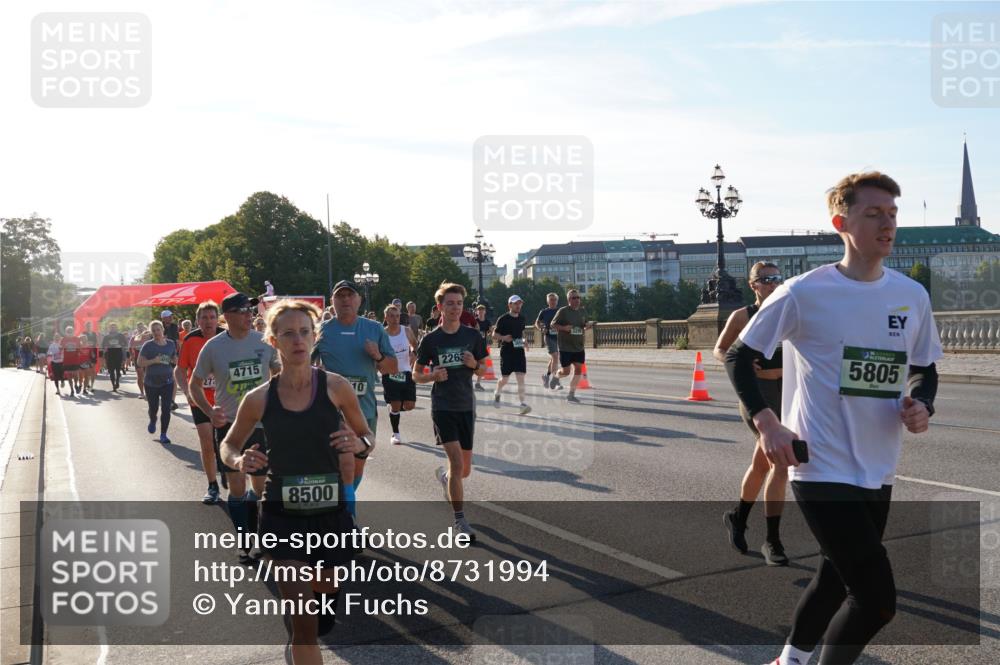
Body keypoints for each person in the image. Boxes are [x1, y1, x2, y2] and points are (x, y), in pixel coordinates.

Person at [725, 172, 942, 665]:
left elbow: (924, 368)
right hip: (820, 465)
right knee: (877, 602)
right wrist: (767, 422)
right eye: (874, 214)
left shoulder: (911, 296)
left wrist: (921, 403)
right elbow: (738, 355)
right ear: (841, 222)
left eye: (892, 214)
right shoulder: (803, 293)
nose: (888, 224)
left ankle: (790, 660)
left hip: (878, 465)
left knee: (834, 575)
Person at [220, 299, 370, 663]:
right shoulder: (259, 398)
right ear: (273, 341)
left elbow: (366, 437)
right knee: (305, 624)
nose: (297, 340)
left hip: (330, 512)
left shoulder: (336, 388)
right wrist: (240, 460)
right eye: (288, 333)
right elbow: (228, 444)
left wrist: (359, 444)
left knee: (325, 598)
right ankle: (301, 638)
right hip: (281, 514)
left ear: (314, 336)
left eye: (304, 332)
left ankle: (318, 612)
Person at [191, 292, 281, 563]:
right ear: (227, 316)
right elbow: (194, 383)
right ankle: (245, 541)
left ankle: (263, 537)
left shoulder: (264, 342)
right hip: (231, 428)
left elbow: (279, 372)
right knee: (237, 487)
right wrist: (209, 412)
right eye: (243, 310)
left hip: (263, 425)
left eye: (251, 310)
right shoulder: (214, 347)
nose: (249, 315)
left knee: (261, 486)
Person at [714, 261, 788, 566]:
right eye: (766, 280)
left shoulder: (788, 314)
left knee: (761, 464)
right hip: (755, 395)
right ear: (753, 284)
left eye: (777, 279)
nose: (772, 284)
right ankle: (773, 541)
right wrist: (744, 365)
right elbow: (720, 350)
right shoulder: (743, 316)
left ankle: (738, 516)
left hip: (786, 392)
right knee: (780, 462)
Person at [414, 282, 489, 540]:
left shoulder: (473, 336)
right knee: (457, 463)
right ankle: (460, 522)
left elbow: (485, 370)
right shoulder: (431, 339)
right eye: (450, 303)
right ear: (440, 307)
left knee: (463, 470)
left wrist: (474, 365)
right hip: (443, 407)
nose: (455, 308)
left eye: (459, 303)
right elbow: (415, 374)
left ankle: (445, 477)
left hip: (466, 406)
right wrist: (431, 375)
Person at [313, 280, 397, 503]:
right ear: (333, 302)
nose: (346, 300)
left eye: (351, 295)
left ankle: (343, 503)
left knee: (358, 466)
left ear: (359, 300)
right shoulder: (322, 331)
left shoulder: (374, 329)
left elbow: (392, 368)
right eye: (340, 296)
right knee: (340, 467)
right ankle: (344, 515)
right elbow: (302, 365)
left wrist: (378, 356)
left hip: (364, 410)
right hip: (330, 413)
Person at [176, 300, 225, 504]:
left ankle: (225, 467)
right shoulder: (190, 339)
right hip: (200, 400)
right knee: (207, 443)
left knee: (226, 443)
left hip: (225, 400)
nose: (208, 321)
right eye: (204, 318)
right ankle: (212, 485)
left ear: (217, 319)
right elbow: (179, 369)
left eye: (212, 317)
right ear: (197, 320)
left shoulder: (227, 336)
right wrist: (187, 391)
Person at [381, 304, 418, 445]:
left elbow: (415, 344)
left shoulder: (406, 331)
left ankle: (393, 410)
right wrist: (381, 366)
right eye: (391, 316)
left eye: (397, 316)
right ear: (386, 317)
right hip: (390, 373)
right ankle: (395, 433)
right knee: (396, 404)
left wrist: (413, 354)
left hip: (406, 371)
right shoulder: (382, 334)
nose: (395, 319)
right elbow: (378, 352)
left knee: (410, 405)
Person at [138, 320, 178, 443]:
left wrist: (175, 360)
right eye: (154, 330)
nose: (156, 332)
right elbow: (140, 363)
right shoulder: (148, 345)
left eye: (158, 329)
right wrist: (153, 361)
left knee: (166, 409)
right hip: (151, 383)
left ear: (162, 330)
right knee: (153, 408)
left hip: (167, 382)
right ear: (151, 332)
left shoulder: (171, 344)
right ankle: (153, 420)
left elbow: (174, 358)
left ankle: (163, 434)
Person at [552, 289, 594, 403]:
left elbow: (583, 325)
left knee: (578, 370)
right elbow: (553, 324)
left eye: (577, 297)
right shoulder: (563, 311)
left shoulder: (582, 311)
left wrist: (587, 325)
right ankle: (556, 377)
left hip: (579, 346)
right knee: (566, 372)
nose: (576, 300)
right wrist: (564, 328)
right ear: (568, 300)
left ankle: (571, 394)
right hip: (565, 347)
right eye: (573, 298)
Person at [493, 295, 531, 415]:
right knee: (504, 379)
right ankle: (498, 391)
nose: (518, 306)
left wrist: (525, 342)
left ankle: (522, 404)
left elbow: (522, 332)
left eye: (520, 303)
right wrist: (503, 337)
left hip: (519, 351)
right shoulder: (503, 319)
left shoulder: (522, 318)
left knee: (521, 379)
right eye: (515, 303)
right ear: (510, 305)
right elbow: (494, 334)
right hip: (507, 352)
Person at [535, 293, 562, 389]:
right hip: (549, 337)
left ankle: (546, 377)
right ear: (547, 301)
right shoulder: (544, 311)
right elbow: (537, 323)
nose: (553, 301)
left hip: (559, 337)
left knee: (553, 359)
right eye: (551, 300)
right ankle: (556, 380)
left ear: (557, 301)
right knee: (555, 357)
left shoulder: (560, 311)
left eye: (554, 299)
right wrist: (541, 329)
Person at [102, 322, 129, 392]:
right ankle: (113, 384)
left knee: (117, 370)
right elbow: (103, 346)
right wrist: (106, 347)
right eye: (111, 327)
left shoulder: (120, 335)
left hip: (118, 354)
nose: (113, 328)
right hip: (109, 355)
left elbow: (125, 343)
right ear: (109, 328)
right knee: (111, 371)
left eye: (114, 327)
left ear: (116, 328)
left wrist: (121, 345)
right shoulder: (106, 336)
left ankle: (117, 382)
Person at [472, 304, 492, 391]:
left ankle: (478, 383)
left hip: (482, 346)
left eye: (482, 310)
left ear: (485, 312)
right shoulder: (474, 321)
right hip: (474, 346)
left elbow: (490, 331)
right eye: (479, 311)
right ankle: (467, 381)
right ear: (476, 312)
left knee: (482, 365)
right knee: (472, 365)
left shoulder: (487, 322)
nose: (481, 312)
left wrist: (489, 334)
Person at [130, 323, 152, 399]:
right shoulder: (134, 337)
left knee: (148, 375)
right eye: (139, 327)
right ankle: (142, 392)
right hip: (138, 358)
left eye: (142, 327)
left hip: (148, 358)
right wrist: (132, 356)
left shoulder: (149, 336)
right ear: (137, 329)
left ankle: (149, 392)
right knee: (140, 375)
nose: (140, 329)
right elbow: (130, 347)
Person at [60, 326, 82, 396]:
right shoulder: (63, 339)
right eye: (68, 331)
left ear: (73, 331)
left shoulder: (77, 339)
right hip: (67, 360)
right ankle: (72, 390)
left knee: (76, 375)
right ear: (66, 332)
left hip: (75, 360)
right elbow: (61, 348)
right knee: (69, 376)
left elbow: (80, 348)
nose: (70, 333)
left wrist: (79, 351)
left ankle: (75, 385)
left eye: (71, 331)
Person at [79, 321, 98, 394]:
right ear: (85, 327)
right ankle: (85, 384)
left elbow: (96, 343)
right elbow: (79, 341)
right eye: (87, 326)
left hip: (92, 353)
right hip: (85, 354)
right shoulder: (83, 334)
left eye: (90, 326)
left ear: (91, 326)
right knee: (85, 372)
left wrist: (97, 353)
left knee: (93, 371)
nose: (89, 327)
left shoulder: (94, 334)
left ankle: (91, 386)